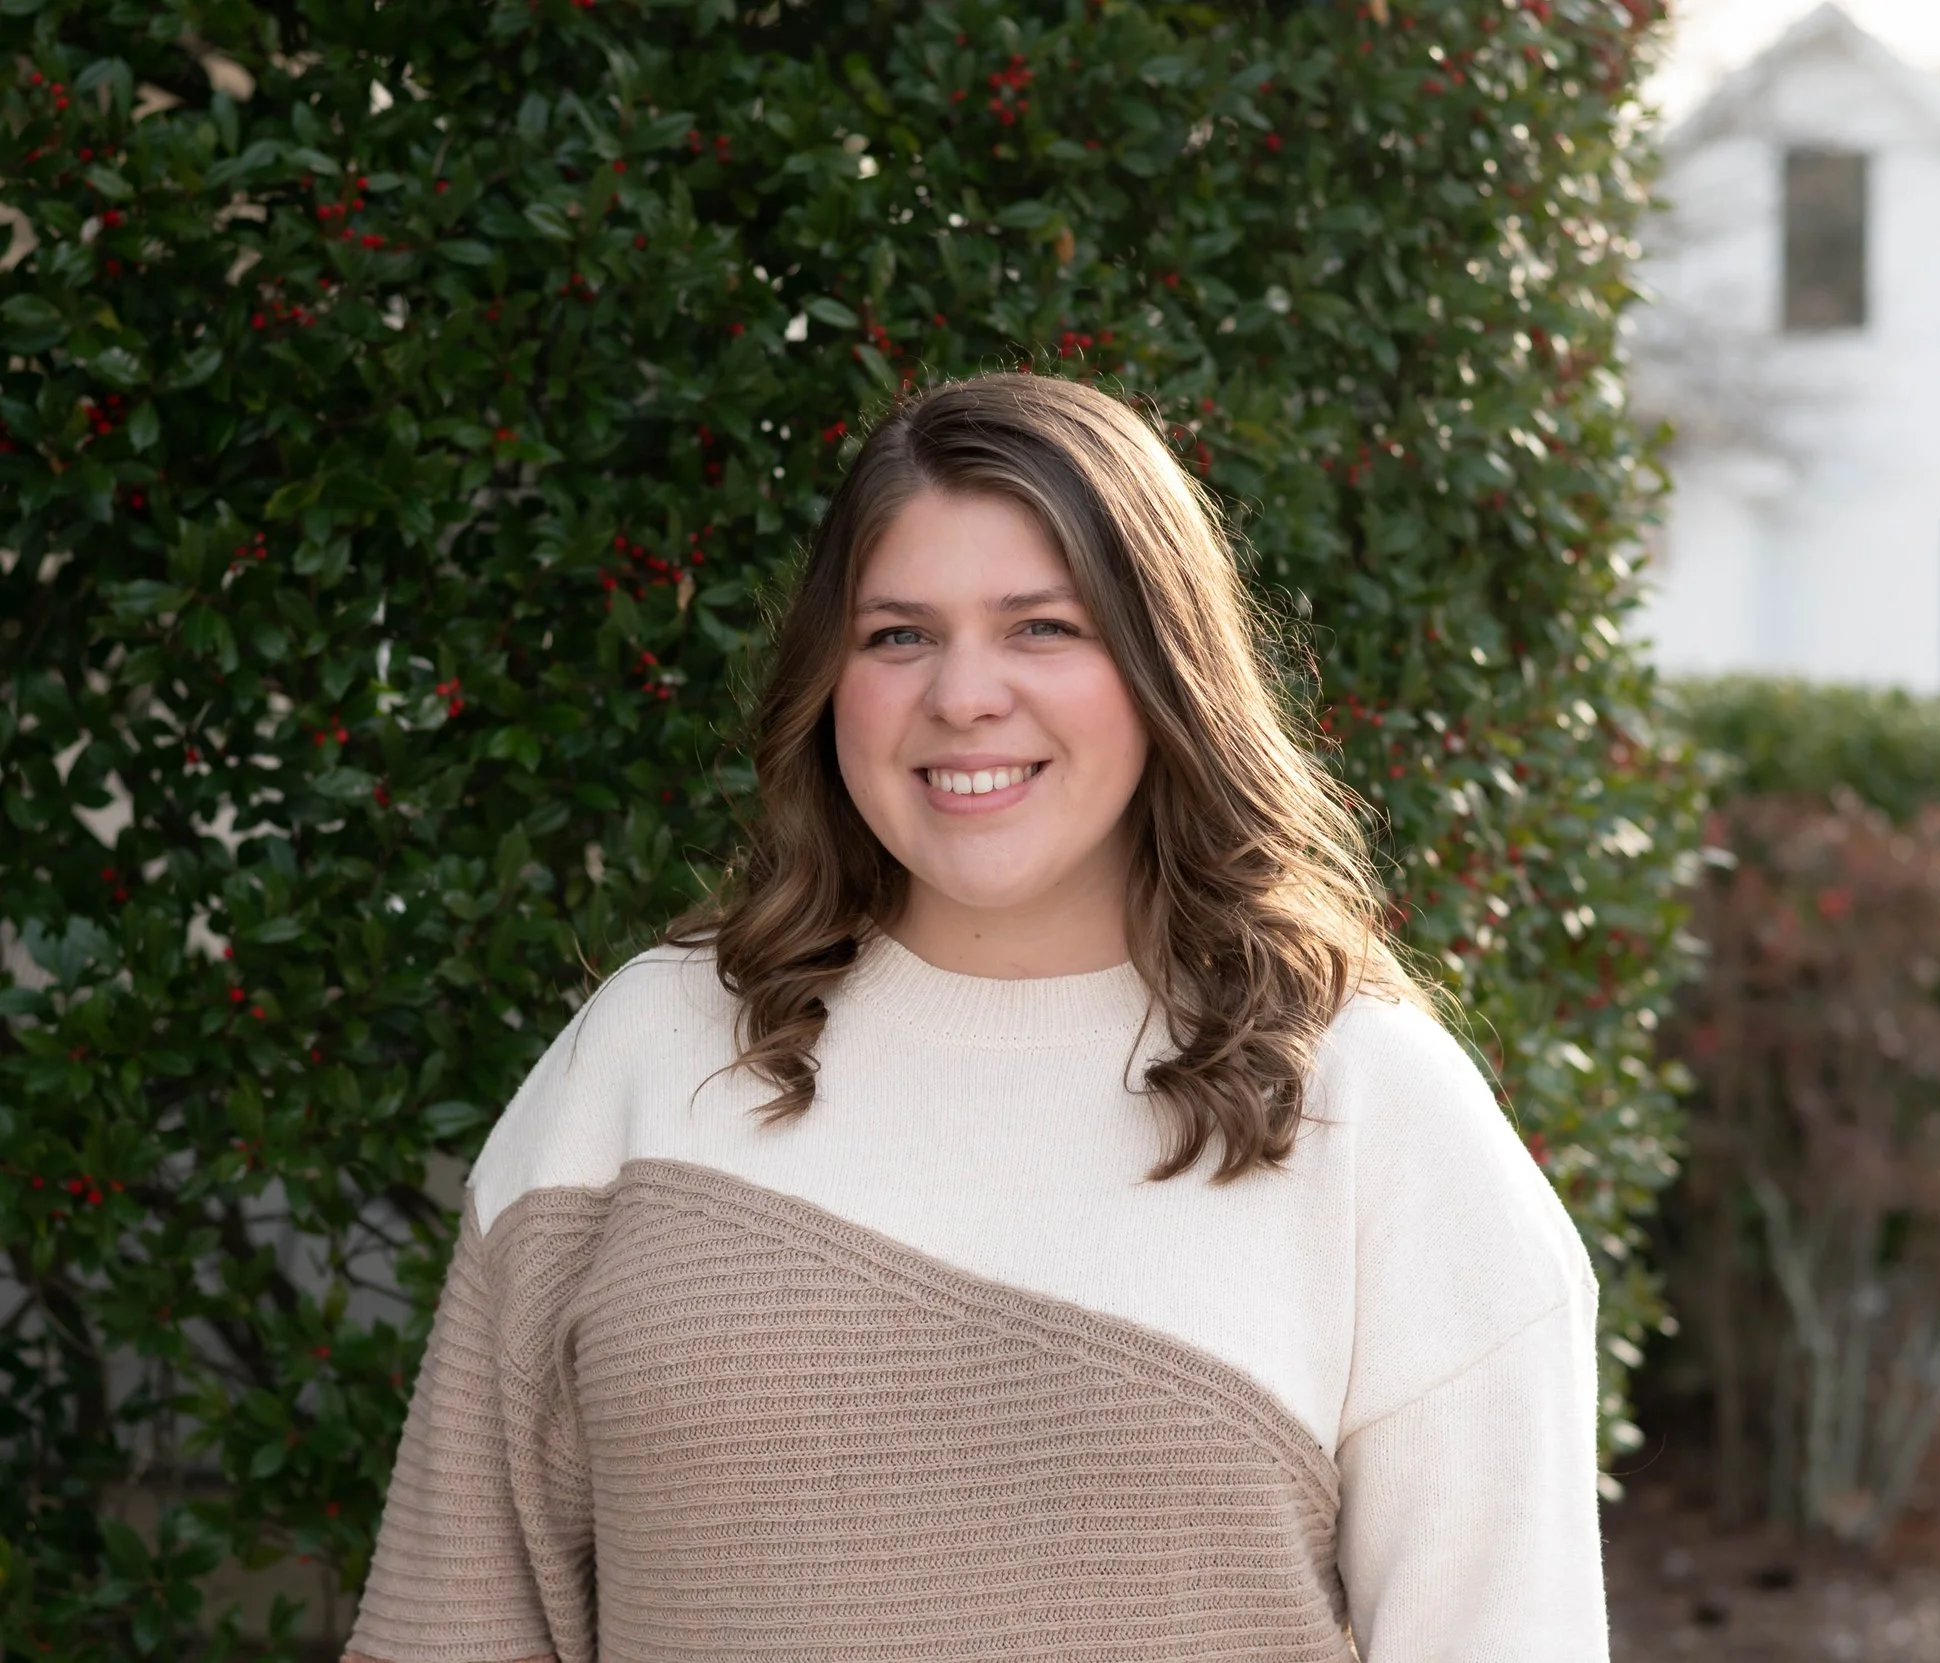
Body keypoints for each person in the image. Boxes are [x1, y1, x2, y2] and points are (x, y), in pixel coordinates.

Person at [342, 371, 1607, 1662]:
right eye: (897, 635)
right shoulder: (646, 1057)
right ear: (828, 681)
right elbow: (454, 1618)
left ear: (1167, 666)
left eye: (1042, 627)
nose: (963, 696)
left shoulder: (1371, 1108)